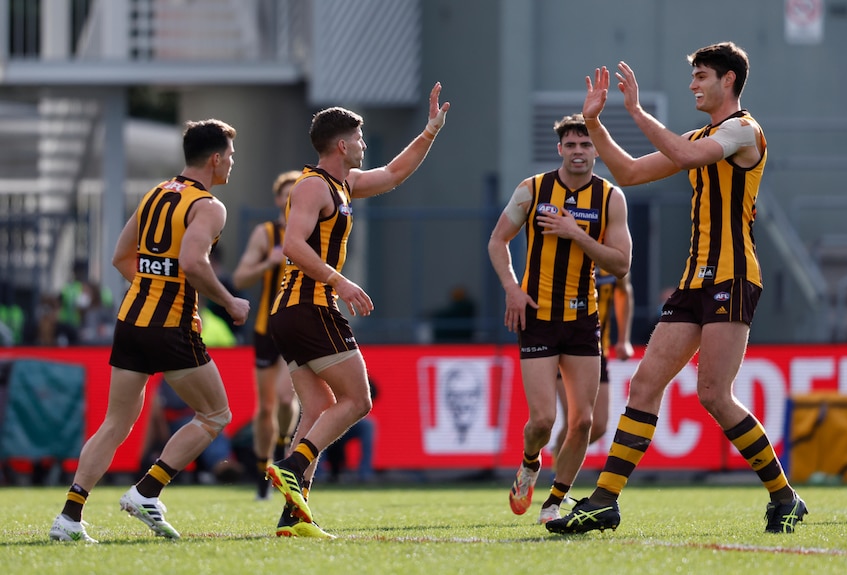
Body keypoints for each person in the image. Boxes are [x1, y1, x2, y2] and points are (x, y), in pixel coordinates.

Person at [546, 42, 807, 536]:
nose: (693, 85)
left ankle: (784, 496)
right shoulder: (707, 134)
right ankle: (604, 502)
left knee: (713, 393)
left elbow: (685, 154)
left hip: (732, 276)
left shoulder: (742, 130)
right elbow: (629, 173)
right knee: (643, 385)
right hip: (695, 281)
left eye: (701, 76)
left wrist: (638, 112)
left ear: (728, 81)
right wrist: (597, 125)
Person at [49, 119, 250, 543]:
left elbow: (122, 257)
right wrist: (229, 302)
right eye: (230, 155)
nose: (232, 163)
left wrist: (151, 286)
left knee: (115, 424)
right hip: (171, 326)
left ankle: (69, 517)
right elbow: (194, 263)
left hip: (131, 322)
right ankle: (148, 490)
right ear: (215, 159)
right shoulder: (209, 206)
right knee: (216, 415)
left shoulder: (157, 193)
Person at [266, 82, 450, 538]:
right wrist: (340, 280)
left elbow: (391, 175)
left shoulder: (341, 183)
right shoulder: (313, 186)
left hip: (293, 311)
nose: (365, 146)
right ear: (343, 144)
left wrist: (428, 132)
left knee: (316, 410)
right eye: (361, 139)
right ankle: (293, 466)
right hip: (309, 306)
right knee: (359, 399)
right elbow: (291, 244)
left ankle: (294, 516)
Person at [488, 113, 632, 525]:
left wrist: (578, 234)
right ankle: (530, 463)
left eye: (586, 145)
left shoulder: (610, 198)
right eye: (571, 145)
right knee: (543, 420)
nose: (579, 152)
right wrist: (513, 290)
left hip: (583, 319)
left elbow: (621, 265)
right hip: (538, 317)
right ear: (559, 150)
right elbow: (498, 241)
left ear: (596, 150)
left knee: (585, 419)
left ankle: (553, 502)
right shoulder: (533, 190)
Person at [232, 170, 302, 500]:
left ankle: (282, 446)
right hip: (266, 328)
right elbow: (241, 277)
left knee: (287, 400)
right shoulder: (266, 234)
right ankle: (263, 469)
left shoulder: (310, 230)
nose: (290, 201)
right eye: (285, 195)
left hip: (298, 327)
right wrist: (268, 264)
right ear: (277, 199)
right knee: (265, 409)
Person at [551, 269, 634, 466]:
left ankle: (559, 455)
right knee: (576, 420)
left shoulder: (613, 253)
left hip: (597, 349)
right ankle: (559, 479)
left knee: (598, 424)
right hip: (566, 348)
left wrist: (624, 339)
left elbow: (624, 289)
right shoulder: (569, 250)